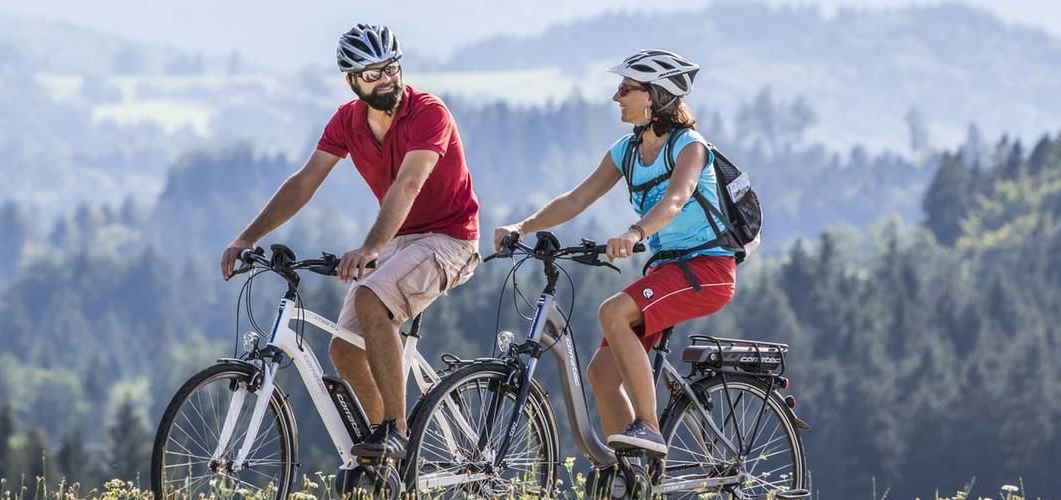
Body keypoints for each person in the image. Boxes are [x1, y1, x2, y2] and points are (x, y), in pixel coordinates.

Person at [220, 23, 480, 459]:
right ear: (352, 80)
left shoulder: (428, 113)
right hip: (399, 238)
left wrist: (372, 247)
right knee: (344, 349)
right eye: (373, 73)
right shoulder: (347, 121)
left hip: (449, 238)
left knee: (371, 299)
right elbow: (305, 181)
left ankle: (394, 432)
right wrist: (247, 237)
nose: (386, 79)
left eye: (391, 68)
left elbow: (409, 184)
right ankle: (388, 462)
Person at [494, 49, 735, 455]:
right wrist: (523, 226)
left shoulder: (689, 147)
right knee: (602, 375)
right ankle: (630, 473)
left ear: (655, 95)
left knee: (613, 312)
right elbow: (576, 199)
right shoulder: (627, 150)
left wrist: (635, 231)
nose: (615, 97)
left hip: (707, 268)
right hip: (667, 271)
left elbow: (676, 200)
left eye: (625, 89)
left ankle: (649, 427)